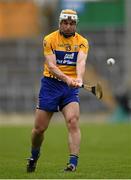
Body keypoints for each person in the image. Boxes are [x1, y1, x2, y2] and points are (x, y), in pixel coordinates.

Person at [27, 9, 89, 173]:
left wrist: (79, 78)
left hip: (69, 90)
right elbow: (52, 66)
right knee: (39, 129)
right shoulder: (49, 39)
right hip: (50, 85)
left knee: (73, 121)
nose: (68, 26)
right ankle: (34, 155)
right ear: (60, 23)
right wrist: (68, 79)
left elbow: (81, 62)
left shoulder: (82, 42)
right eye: (65, 23)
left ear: (75, 25)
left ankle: (72, 163)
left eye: (72, 23)